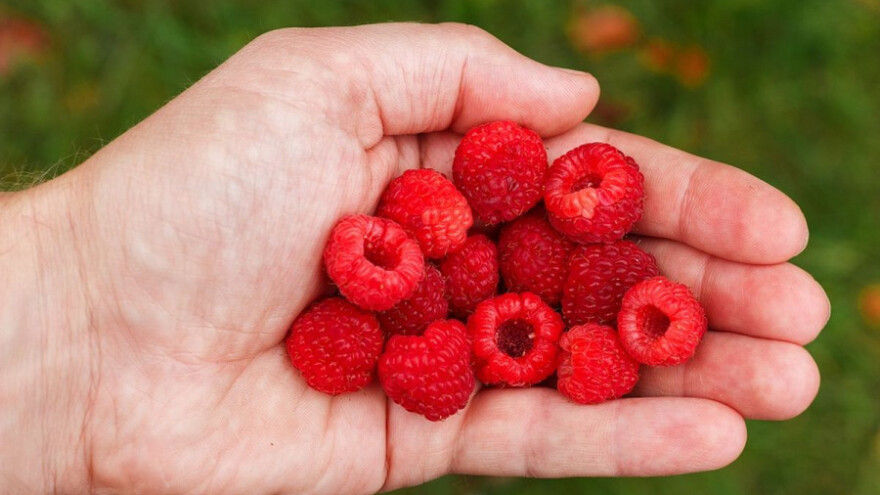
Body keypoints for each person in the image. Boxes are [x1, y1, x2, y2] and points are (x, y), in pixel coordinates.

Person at [0, 23, 829, 494]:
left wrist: (71, 291)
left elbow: (499, 277)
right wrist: (79, 277)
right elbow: (440, 292)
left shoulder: (529, 267)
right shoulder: (427, 282)